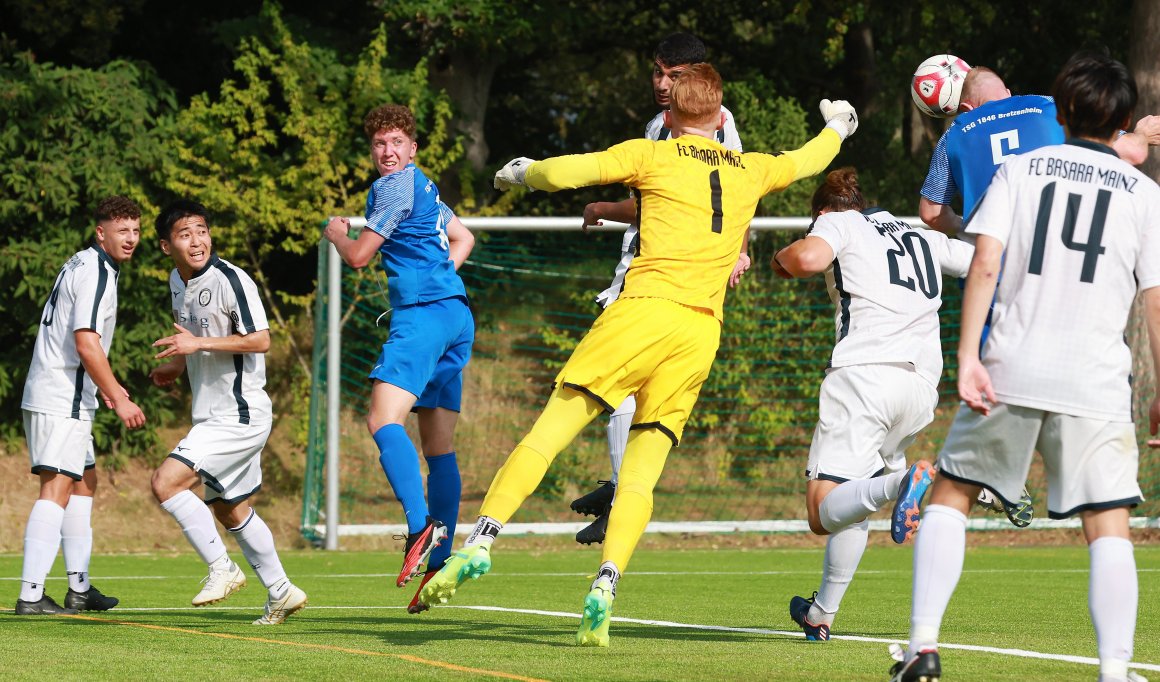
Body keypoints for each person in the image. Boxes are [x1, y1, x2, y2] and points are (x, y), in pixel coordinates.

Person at [417, 63, 859, 647]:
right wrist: (838, 126)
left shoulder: (654, 154)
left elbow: (570, 171)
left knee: (549, 432)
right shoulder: (753, 168)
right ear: (722, 117)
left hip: (642, 311)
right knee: (642, 474)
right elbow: (809, 160)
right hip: (700, 334)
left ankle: (482, 542)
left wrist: (522, 172)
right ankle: (606, 583)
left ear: (671, 116)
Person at [890, 51, 1160, 682]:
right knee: (1109, 524)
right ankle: (1114, 673)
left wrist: (965, 356)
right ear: (1120, 119)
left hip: (1013, 361)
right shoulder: (1146, 196)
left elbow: (983, 263)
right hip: (1096, 375)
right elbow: (1154, 300)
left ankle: (924, 647)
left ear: (1059, 110)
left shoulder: (1022, 168)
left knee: (952, 495)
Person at [771, 169, 973, 642]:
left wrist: (780, 257)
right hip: (920, 389)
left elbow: (806, 259)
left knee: (822, 513)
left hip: (864, 378)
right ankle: (822, 612)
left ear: (822, 211)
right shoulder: (919, 232)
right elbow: (985, 259)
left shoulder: (838, 223)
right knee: (852, 501)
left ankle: (908, 480)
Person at [571, 31, 747, 546]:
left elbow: (734, 189)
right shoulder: (660, 125)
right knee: (627, 388)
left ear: (698, 77)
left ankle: (623, 490)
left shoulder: (717, 125)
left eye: (674, 75)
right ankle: (622, 484)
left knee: (612, 381)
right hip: (656, 269)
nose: (662, 83)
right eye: (657, 72)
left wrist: (739, 247)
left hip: (665, 274)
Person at [323, 104, 476, 612]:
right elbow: (463, 238)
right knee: (439, 447)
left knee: (380, 419)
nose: (387, 152)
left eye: (396, 143)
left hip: (422, 318)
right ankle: (441, 561)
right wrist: (441, 279)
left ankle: (419, 528)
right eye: (378, 145)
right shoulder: (426, 185)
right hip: (456, 316)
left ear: (412, 147)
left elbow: (360, 255)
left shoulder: (391, 188)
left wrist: (336, 232)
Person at [149, 199, 307, 625]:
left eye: (201, 230)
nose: (196, 240)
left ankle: (223, 568)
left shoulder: (231, 279)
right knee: (229, 507)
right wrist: (175, 365)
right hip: (213, 414)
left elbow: (260, 341)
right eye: (185, 234)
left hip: (240, 414)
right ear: (167, 246)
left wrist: (197, 346)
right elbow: (192, 338)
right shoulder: (176, 281)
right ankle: (282, 591)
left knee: (166, 483)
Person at [16, 195, 146, 615]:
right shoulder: (95, 273)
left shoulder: (83, 262)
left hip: (61, 391)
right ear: (101, 232)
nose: (130, 238)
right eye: (121, 230)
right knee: (56, 487)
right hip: (61, 395)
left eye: (136, 230)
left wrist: (107, 390)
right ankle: (31, 596)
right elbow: (86, 343)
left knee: (85, 481)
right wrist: (121, 399)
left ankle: (79, 589)